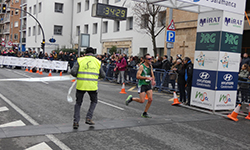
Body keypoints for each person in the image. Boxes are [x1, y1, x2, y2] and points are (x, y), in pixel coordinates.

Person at [70, 47, 105, 129]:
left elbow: (73, 72)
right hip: (92, 85)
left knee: (78, 103)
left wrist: (78, 75)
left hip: (81, 84)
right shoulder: (97, 62)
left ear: (85, 53)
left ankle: (76, 121)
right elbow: (103, 75)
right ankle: (89, 118)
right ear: (93, 53)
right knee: (94, 101)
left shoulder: (80, 60)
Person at [125, 53, 156, 118]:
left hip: (148, 84)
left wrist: (153, 80)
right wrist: (146, 78)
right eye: (149, 59)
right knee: (142, 101)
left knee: (150, 99)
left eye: (151, 59)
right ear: (145, 60)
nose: (150, 60)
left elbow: (152, 74)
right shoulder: (142, 66)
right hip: (142, 84)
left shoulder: (150, 66)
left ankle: (145, 113)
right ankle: (132, 99)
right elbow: (138, 76)